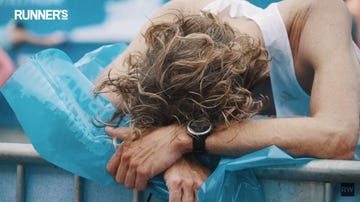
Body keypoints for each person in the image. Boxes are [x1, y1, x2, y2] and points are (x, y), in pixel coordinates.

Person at [94, 0, 360, 201]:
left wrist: (185, 138)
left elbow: (337, 136)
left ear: (246, 107)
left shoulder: (319, 13)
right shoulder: (182, 11)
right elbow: (96, 104)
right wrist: (172, 157)